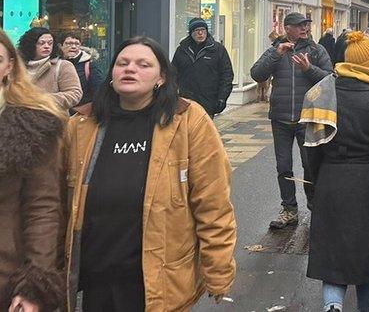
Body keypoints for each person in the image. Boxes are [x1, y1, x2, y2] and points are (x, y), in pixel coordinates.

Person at [65, 36, 237, 310]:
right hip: (96, 280)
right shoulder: (82, 125)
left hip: (158, 281)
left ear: (162, 78)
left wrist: (218, 268)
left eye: (143, 64)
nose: (130, 69)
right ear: (112, 74)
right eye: (123, 63)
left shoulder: (188, 121)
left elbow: (213, 202)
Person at [306, 32, 369, 312]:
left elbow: (311, 148)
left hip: (332, 180)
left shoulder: (322, 94)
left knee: (333, 254)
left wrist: (315, 185)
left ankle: (333, 306)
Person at [0, 29, 67, 312]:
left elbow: (43, 208)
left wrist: (33, 285)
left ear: (10, 66)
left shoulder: (31, 125)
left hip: (6, 274)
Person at [251, 12, 334, 229]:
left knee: (310, 164)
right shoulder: (276, 50)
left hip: (307, 118)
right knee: (284, 166)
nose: (304, 29)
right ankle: (289, 209)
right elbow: (257, 74)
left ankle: (315, 207)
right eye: (299, 26)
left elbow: (329, 79)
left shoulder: (316, 50)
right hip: (280, 118)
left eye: (306, 25)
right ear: (287, 28)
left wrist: (309, 69)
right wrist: (276, 54)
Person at [172, 18, 234, 118]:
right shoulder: (182, 49)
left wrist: (222, 98)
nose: (200, 33)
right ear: (191, 32)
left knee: (204, 132)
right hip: (186, 102)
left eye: (203, 30)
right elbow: (173, 73)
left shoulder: (217, 49)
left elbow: (227, 75)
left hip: (208, 101)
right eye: (197, 30)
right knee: (185, 132)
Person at [17, 26, 82, 112]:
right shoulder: (17, 65)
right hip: (19, 121)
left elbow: (74, 94)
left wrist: (42, 99)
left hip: (51, 121)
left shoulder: (63, 66)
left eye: (50, 43)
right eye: (41, 43)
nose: (47, 46)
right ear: (30, 45)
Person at [61, 32, 103, 107]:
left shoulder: (90, 66)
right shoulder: (55, 64)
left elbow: (98, 93)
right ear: (61, 46)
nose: (73, 47)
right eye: (69, 43)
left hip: (80, 114)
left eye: (77, 44)